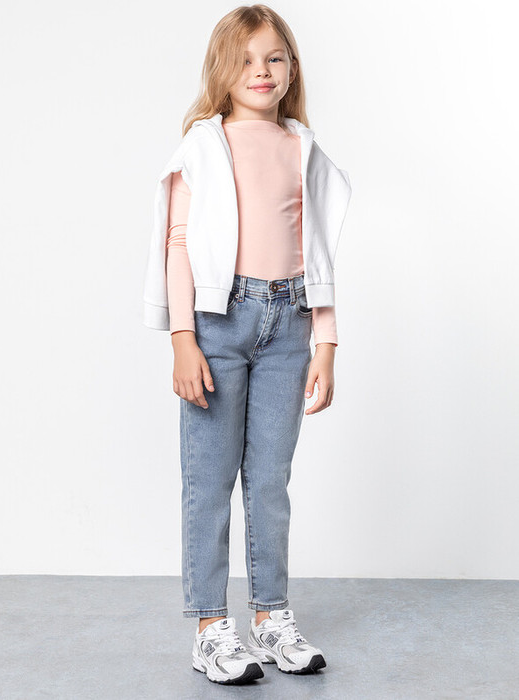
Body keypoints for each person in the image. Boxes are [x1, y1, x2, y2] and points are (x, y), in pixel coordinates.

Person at [143, 4, 351, 686]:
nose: (261, 71)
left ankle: (270, 617)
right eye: (245, 59)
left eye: (274, 58)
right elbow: (177, 244)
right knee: (208, 482)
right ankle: (211, 629)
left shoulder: (301, 146)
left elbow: (317, 251)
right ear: (222, 70)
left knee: (269, 481)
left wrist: (325, 341)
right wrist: (183, 338)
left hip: (289, 323)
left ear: (291, 68)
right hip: (219, 324)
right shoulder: (204, 145)